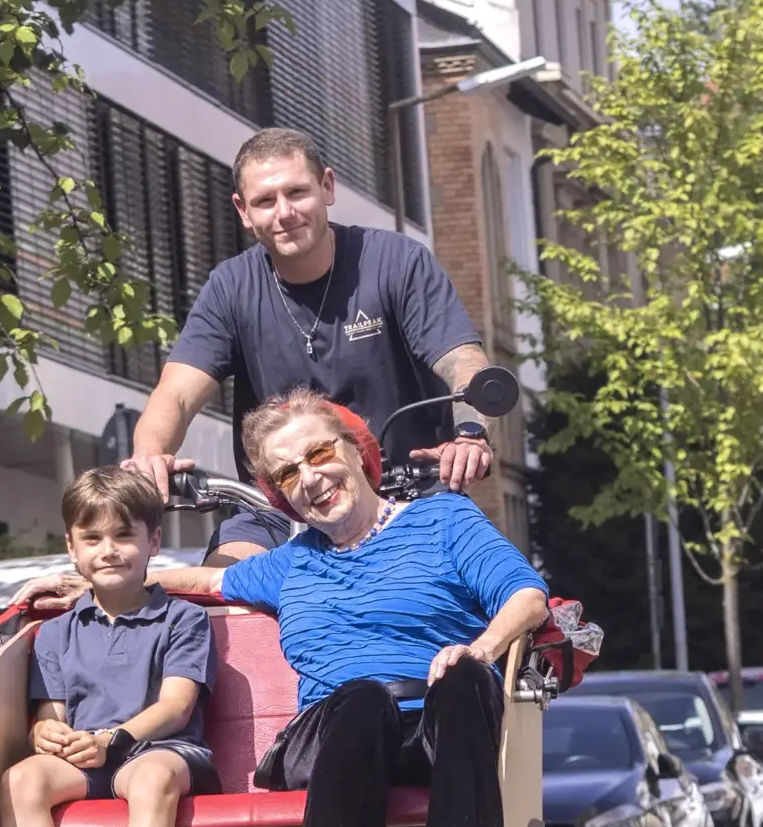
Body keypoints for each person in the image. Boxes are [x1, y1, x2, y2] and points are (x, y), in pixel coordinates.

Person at [28, 390, 550, 827]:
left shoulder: (444, 519)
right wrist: (92, 584)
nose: (310, 478)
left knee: (468, 677)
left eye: (319, 454)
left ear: (356, 451)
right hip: (336, 732)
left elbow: (527, 596)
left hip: (437, 726)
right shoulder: (292, 562)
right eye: (288, 473)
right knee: (363, 697)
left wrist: (481, 648)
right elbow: (206, 582)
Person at [123, 126, 499, 559]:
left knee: (455, 589)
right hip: (282, 503)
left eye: (297, 193)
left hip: (406, 492)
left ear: (327, 187)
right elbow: (176, 394)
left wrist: (471, 434)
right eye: (265, 201)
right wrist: (150, 455)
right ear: (243, 212)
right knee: (224, 589)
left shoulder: (397, 262)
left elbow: (464, 364)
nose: (284, 212)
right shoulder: (230, 287)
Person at [0, 470, 215, 827]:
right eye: (92, 538)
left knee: (150, 777)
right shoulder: (54, 634)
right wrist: (47, 736)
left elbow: (177, 707)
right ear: (72, 550)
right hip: (90, 758)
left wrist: (112, 739)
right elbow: (50, 715)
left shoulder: (184, 619)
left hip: (164, 752)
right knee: (20, 780)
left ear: (153, 541)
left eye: (124, 535)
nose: (108, 550)